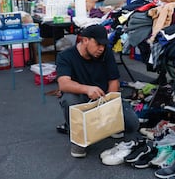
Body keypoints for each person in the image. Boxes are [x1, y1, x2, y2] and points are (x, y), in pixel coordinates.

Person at [56, 25, 140, 158]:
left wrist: (110, 103)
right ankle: (78, 139)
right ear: (85, 40)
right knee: (69, 99)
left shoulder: (106, 53)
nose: (101, 48)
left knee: (133, 123)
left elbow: (113, 80)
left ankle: (109, 126)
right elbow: (64, 84)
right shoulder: (65, 56)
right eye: (98, 44)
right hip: (82, 100)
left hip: (103, 97)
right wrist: (87, 89)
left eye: (104, 44)